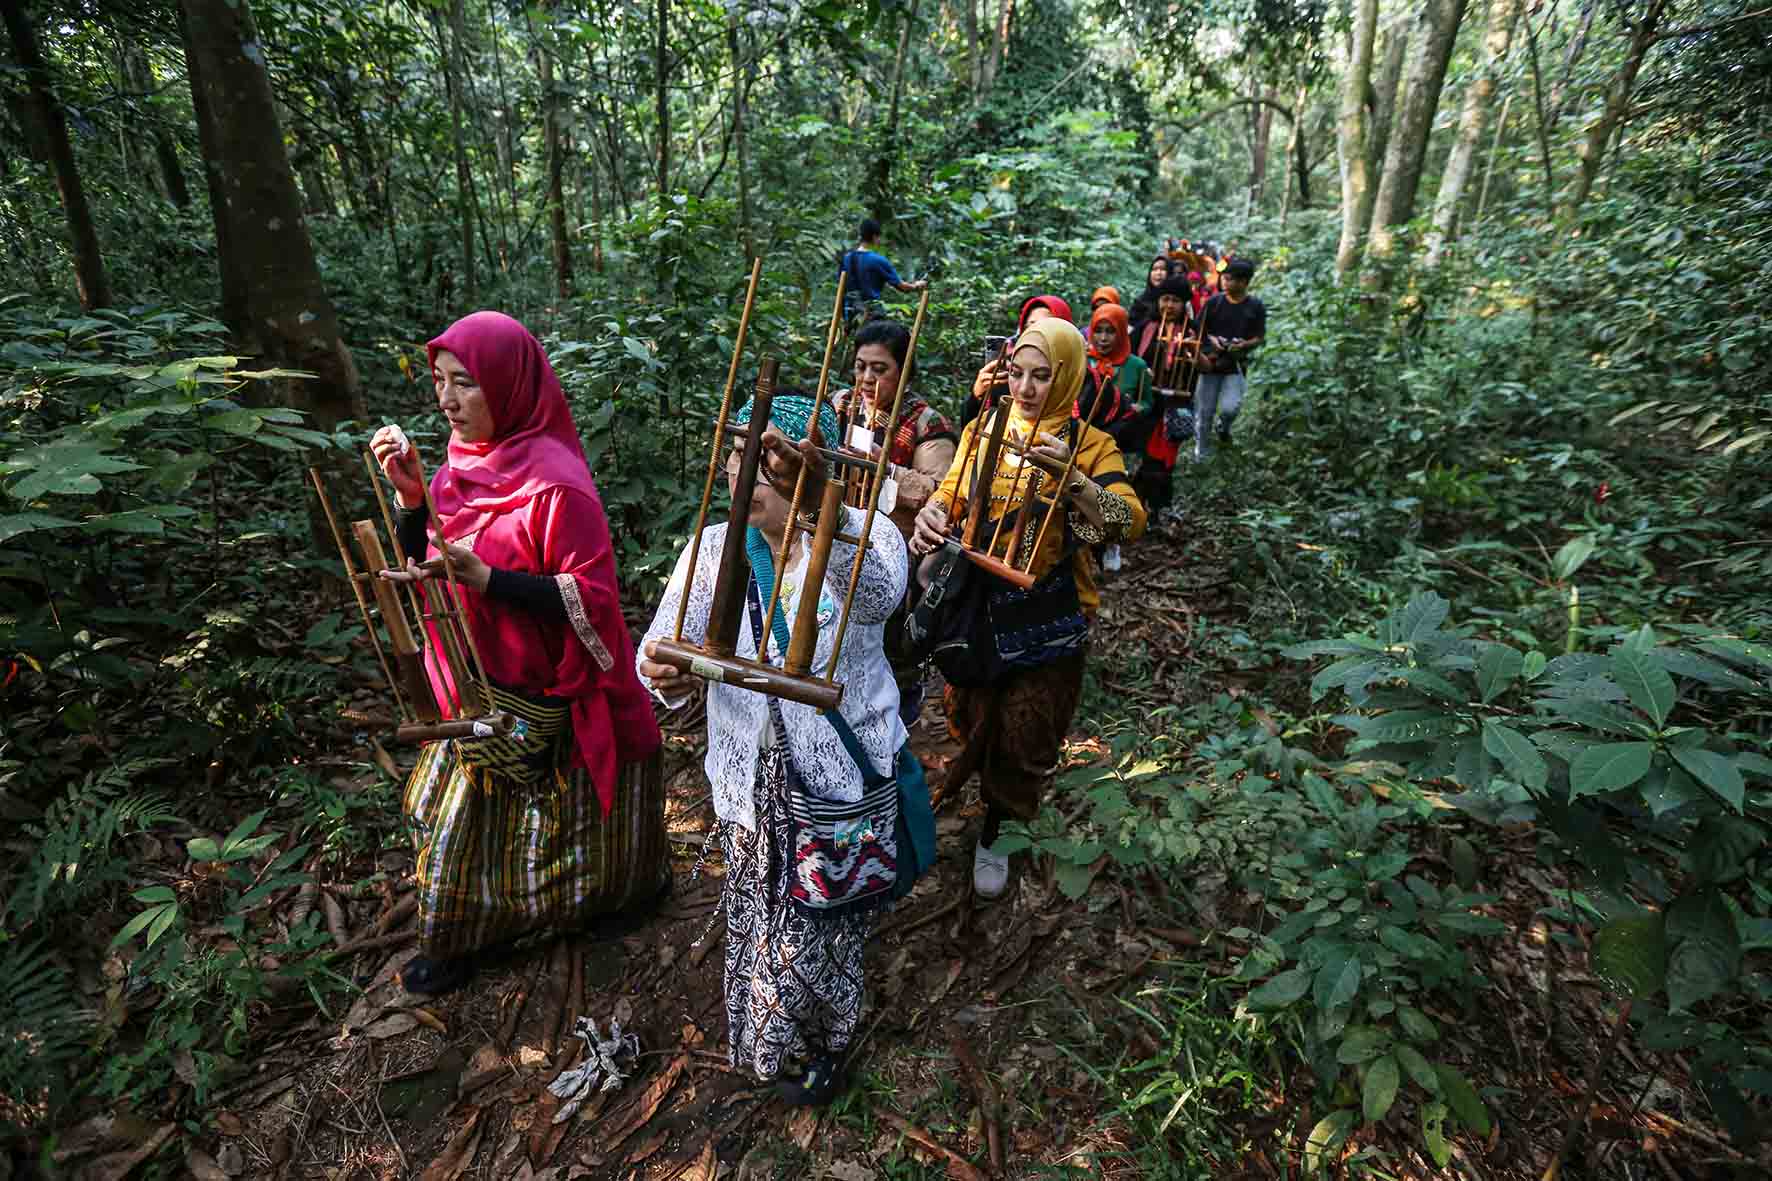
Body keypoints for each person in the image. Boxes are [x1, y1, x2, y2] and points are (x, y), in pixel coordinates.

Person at [368, 311, 666, 997]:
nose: (447, 401)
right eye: (441, 383)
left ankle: (620, 899)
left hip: (550, 688)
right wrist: (413, 498)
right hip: (477, 684)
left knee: (590, 834)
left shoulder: (558, 486)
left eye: (466, 384)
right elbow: (429, 556)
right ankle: (459, 936)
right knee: (448, 821)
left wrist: (492, 581)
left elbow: (592, 599)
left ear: (508, 384)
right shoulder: (456, 468)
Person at [637, 392, 909, 1107]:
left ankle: (827, 1042)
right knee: (757, 907)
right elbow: (657, 645)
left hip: (837, 774)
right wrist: (663, 672)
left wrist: (831, 513)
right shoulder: (714, 548)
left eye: (766, 463)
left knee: (827, 919)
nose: (742, 475)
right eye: (737, 457)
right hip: (750, 776)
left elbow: (882, 596)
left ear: (808, 472)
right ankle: (771, 1038)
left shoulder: (866, 538)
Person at [911, 319, 1146, 900]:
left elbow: (1129, 522)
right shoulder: (985, 427)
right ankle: (974, 788)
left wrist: (1072, 479)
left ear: (1067, 376)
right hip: (978, 607)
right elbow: (953, 493)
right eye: (1017, 373)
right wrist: (933, 515)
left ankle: (999, 824)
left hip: (1049, 617)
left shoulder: (1092, 443)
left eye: (1043, 376)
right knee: (971, 709)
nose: (1026, 388)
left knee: (1026, 727)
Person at [835, 319, 958, 725]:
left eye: (880, 369)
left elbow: (942, 491)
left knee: (888, 653)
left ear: (904, 370)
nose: (867, 378)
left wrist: (883, 468)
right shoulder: (840, 406)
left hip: (892, 555)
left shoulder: (925, 422)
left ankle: (894, 728)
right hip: (834, 543)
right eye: (860, 366)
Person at [1078, 302, 1151, 574]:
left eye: (1111, 332)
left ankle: (1112, 544)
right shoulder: (1084, 360)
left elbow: (1148, 402)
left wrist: (1133, 408)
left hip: (1122, 439)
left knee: (1115, 492)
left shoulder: (1137, 366)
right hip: (1089, 438)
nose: (1104, 338)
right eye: (1099, 331)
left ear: (1122, 333)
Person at [962, 294, 1073, 428]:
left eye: (1041, 377)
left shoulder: (1083, 381)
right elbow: (972, 433)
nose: (1025, 389)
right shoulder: (1007, 374)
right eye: (1030, 327)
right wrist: (977, 396)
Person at [1192, 257, 1265, 460]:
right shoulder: (1214, 303)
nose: (1225, 282)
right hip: (1211, 364)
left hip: (1236, 365)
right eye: (1225, 278)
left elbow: (1259, 336)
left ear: (1243, 282)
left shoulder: (1255, 306)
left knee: (1230, 408)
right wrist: (1212, 340)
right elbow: (1198, 329)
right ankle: (1201, 452)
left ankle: (1223, 427)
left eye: (1231, 279)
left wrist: (1244, 345)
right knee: (1204, 411)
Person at [838, 218, 926, 327]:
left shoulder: (846, 258)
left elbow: (841, 289)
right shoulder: (878, 260)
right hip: (871, 316)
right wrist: (917, 286)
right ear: (875, 237)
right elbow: (903, 287)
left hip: (849, 315)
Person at [1127, 255, 1170, 327]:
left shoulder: (1175, 301)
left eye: (1163, 269)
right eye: (1154, 269)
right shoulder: (1140, 302)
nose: (1158, 273)